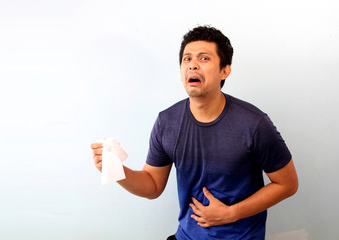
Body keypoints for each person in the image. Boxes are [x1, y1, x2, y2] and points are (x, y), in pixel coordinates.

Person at [91, 26, 298, 240]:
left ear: (224, 71)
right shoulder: (167, 121)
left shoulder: (254, 123)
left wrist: (230, 214)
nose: (193, 65)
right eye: (187, 59)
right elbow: (152, 185)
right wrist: (116, 170)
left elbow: (288, 184)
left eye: (204, 58)